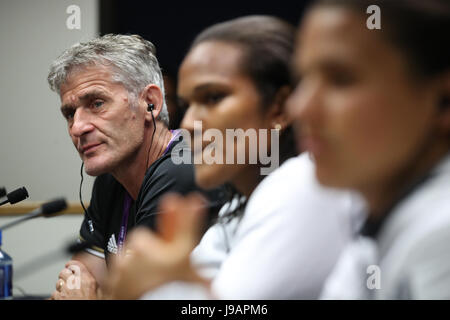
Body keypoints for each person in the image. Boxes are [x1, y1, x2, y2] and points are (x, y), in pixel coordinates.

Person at [108, 15, 363, 300]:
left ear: (280, 108)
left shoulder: (303, 182)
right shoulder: (236, 207)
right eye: (187, 105)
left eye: (213, 98)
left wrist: (156, 284)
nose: (189, 123)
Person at [287, 0, 450, 299]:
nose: (300, 108)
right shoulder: (377, 217)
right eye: (302, 80)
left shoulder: (441, 235)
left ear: (443, 99)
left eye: (340, 79)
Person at [46, 34, 213, 299]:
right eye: (70, 113)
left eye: (97, 103)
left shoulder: (182, 169)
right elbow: (76, 282)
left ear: (152, 104)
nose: (77, 128)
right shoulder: (111, 178)